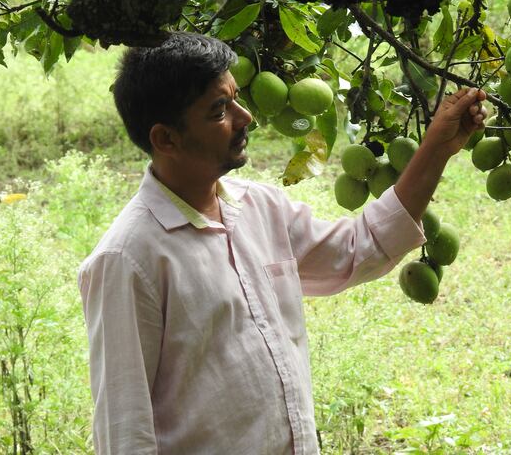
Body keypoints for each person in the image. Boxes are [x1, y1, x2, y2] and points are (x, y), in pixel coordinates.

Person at [77, 32, 487, 455]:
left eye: (236, 98)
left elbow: (360, 247)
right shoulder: (127, 260)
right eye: (220, 110)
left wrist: (438, 145)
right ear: (165, 139)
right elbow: (125, 432)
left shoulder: (261, 208)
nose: (245, 117)